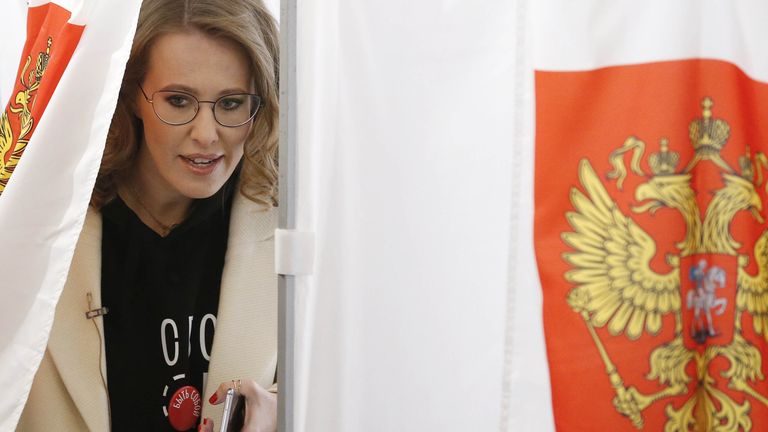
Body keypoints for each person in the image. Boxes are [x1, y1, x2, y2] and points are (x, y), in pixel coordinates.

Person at [18, 0, 279, 430]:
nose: (206, 135)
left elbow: (362, 383)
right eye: (178, 101)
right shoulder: (41, 221)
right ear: (130, 95)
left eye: (231, 104)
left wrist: (284, 413)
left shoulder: (293, 227)